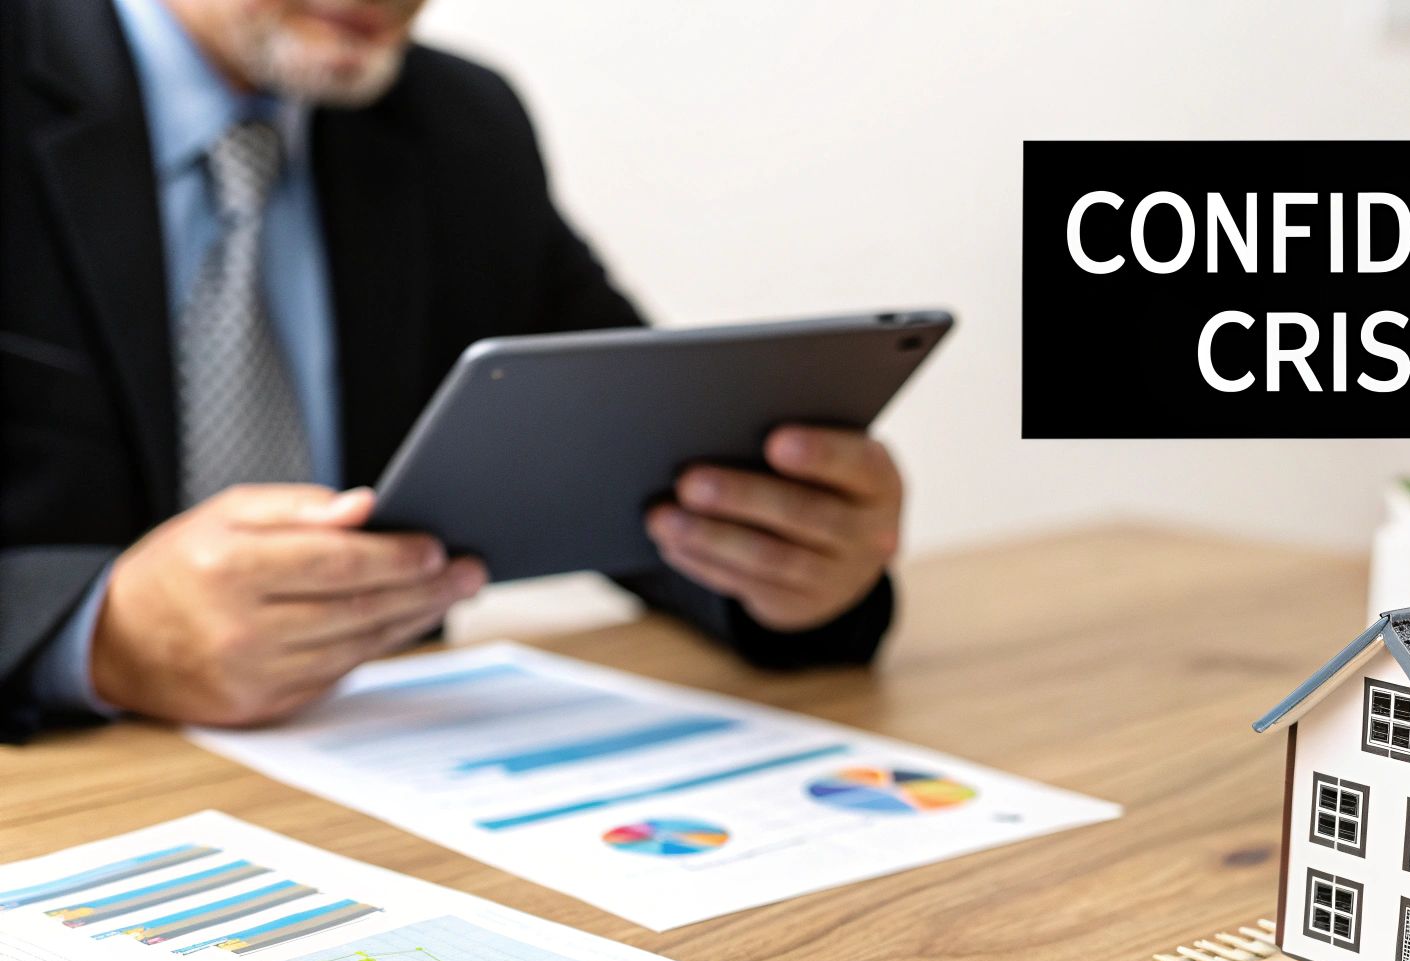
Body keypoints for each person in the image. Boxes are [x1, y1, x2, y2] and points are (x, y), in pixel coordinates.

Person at [0, 0, 904, 742]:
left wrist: (787, 565)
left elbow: (620, 456)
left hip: (377, 790)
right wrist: (96, 636)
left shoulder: (459, 126)